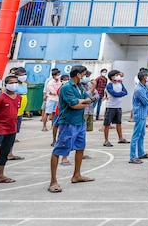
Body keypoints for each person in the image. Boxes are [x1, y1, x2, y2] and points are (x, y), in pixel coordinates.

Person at [48, 65, 95, 193]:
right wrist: (84, 102)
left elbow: (88, 99)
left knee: (80, 147)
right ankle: (53, 181)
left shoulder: (79, 86)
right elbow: (74, 105)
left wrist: (84, 101)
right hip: (68, 122)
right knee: (59, 150)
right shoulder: (67, 88)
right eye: (84, 74)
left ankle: (77, 175)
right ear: (78, 74)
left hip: (80, 122)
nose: (85, 77)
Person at [130, 70, 148, 164]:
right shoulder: (139, 89)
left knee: (142, 134)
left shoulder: (144, 87)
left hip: (143, 113)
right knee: (136, 135)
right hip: (139, 113)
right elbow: (146, 101)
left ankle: (141, 152)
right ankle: (132, 156)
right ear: (144, 78)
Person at [102, 70, 129, 146]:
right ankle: (106, 140)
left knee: (119, 123)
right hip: (110, 106)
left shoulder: (120, 84)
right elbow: (114, 94)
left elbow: (125, 92)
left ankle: (121, 138)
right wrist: (121, 94)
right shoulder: (109, 85)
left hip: (118, 106)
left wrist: (119, 94)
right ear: (112, 77)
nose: (118, 76)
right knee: (107, 124)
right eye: (116, 75)